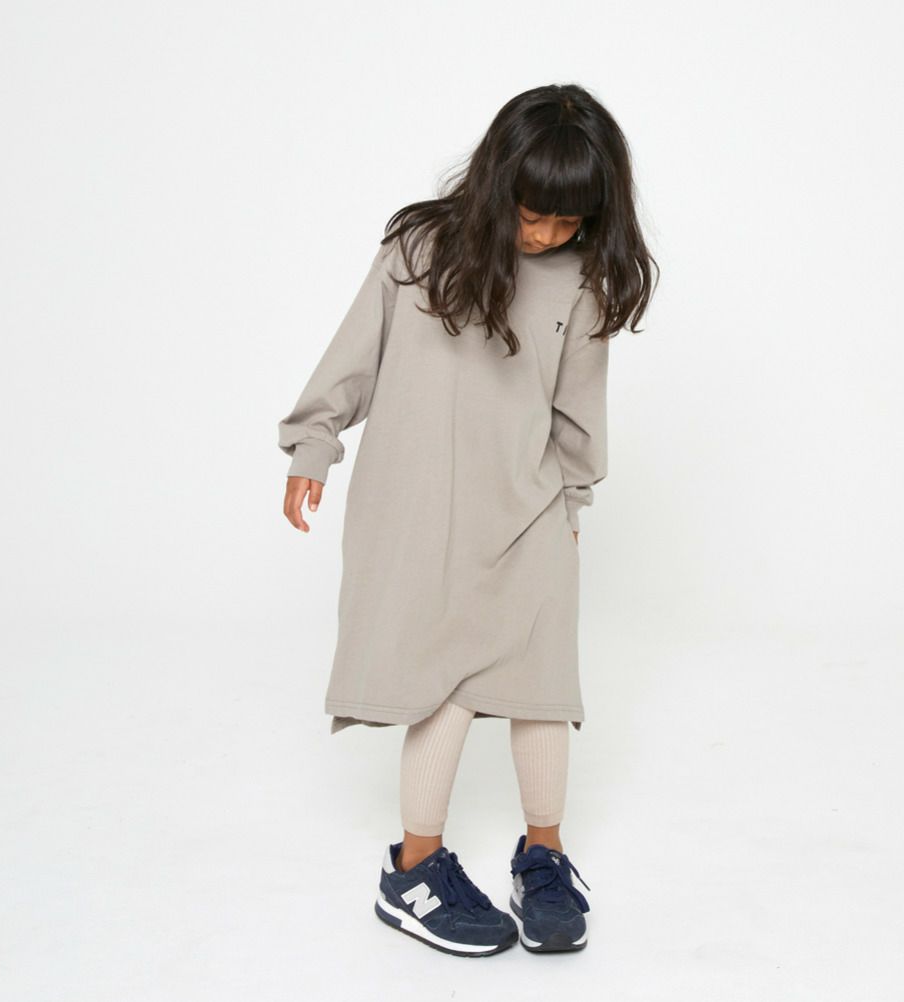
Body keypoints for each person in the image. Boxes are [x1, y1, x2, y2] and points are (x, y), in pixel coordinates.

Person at [276, 83, 658, 957]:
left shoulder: (583, 282)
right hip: (419, 514)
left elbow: (578, 413)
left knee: (541, 687)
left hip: (530, 510)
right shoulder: (419, 250)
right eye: (533, 213)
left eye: (568, 219)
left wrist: (571, 504)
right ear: (497, 181)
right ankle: (414, 870)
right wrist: (312, 444)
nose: (546, 234)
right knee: (440, 688)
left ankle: (544, 857)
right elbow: (353, 359)